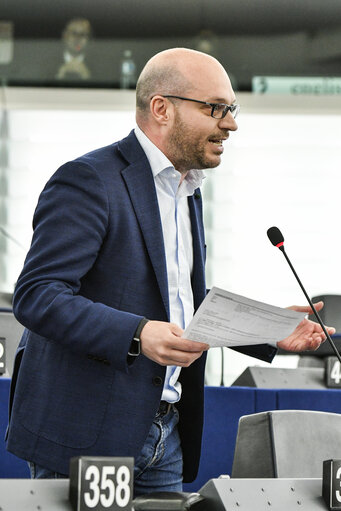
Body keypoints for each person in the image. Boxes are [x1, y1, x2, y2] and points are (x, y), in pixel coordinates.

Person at [6, 48, 334, 495]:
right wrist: (139, 333)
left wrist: (265, 329)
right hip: (86, 435)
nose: (231, 123)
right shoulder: (88, 180)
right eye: (216, 108)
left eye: (232, 109)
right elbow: (39, 295)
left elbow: (177, 305)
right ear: (162, 108)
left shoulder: (188, 190)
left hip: (167, 434)